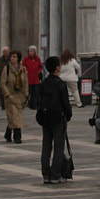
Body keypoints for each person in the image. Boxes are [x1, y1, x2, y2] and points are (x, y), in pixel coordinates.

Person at [36, 55, 72, 183]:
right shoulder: (60, 84)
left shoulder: (43, 83)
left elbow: (38, 100)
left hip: (45, 118)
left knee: (46, 146)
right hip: (58, 118)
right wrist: (68, 115)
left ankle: (45, 173)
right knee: (58, 146)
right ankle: (55, 174)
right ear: (57, 68)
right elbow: (65, 103)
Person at [0, 49, 28, 143]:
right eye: (11, 57)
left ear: (18, 58)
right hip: (10, 96)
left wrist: (26, 94)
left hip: (20, 96)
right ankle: (17, 137)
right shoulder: (6, 69)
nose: (12, 58)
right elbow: (3, 83)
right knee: (15, 117)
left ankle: (8, 133)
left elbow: (26, 82)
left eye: (14, 57)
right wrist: (7, 94)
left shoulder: (23, 69)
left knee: (16, 117)